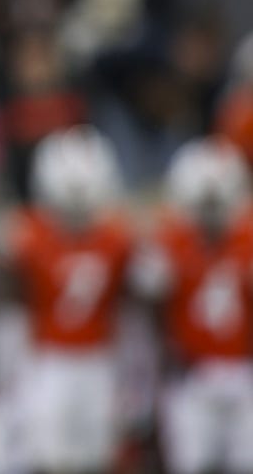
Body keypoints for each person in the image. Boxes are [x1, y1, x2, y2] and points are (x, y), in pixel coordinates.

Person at [0, 125, 135, 474]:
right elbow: (5, 300)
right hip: (46, 357)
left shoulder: (117, 237)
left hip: (100, 356)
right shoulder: (28, 232)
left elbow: (137, 306)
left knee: (96, 453)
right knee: (44, 453)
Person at [130, 136, 253, 474]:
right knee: (191, 461)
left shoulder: (247, 238)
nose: (210, 215)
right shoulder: (169, 242)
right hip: (191, 374)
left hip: (243, 372)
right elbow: (144, 301)